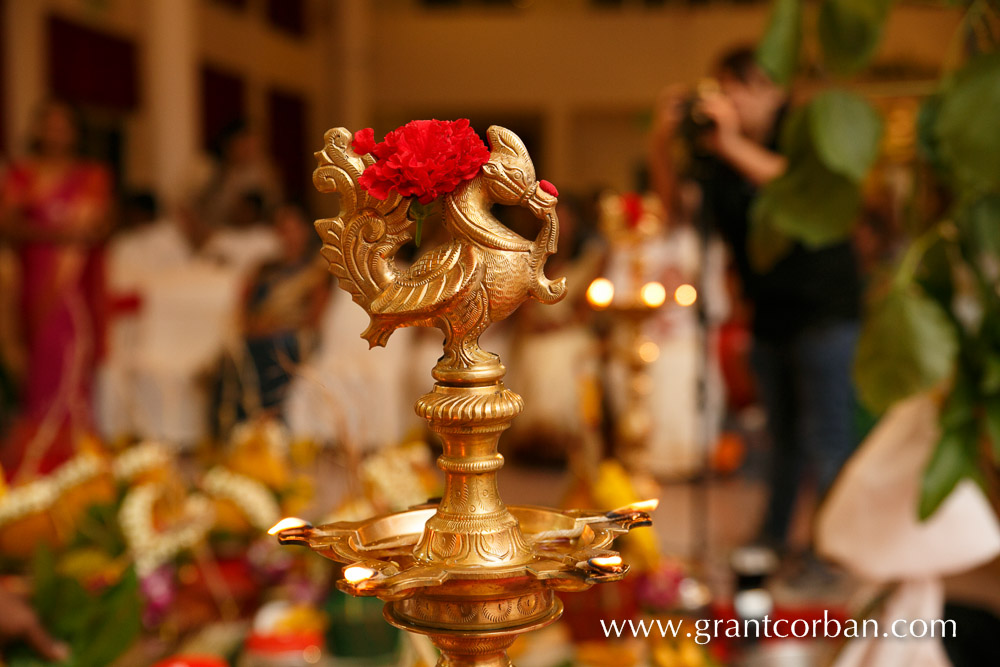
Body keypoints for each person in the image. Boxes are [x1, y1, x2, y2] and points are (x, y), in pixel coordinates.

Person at [649, 47, 863, 555]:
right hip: (769, 316)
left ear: (777, 91)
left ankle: (831, 553)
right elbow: (675, 210)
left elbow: (800, 191)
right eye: (724, 87)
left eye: (743, 87)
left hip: (825, 310)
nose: (732, 100)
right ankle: (774, 542)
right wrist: (662, 139)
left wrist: (727, 145)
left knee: (828, 440)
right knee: (782, 440)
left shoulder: (808, 134)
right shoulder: (719, 153)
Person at [0, 101, 112, 481]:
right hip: (36, 279)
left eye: (63, 125)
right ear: (37, 130)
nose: (56, 132)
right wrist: (58, 235)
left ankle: (75, 458)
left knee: (71, 355)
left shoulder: (91, 175)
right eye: (49, 124)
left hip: (74, 285)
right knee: (40, 359)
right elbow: (9, 226)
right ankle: (38, 458)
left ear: (75, 131)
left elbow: (100, 226)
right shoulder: (21, 175)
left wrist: (82, 234)